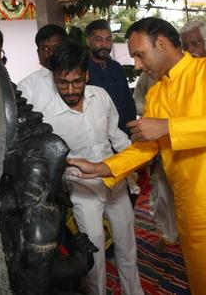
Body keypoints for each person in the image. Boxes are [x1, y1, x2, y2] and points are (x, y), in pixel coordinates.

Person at [67, 17, 206, 295]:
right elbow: (147, 147)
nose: (138, 65)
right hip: (190, 207)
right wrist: (102, 168)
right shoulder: (156, 93)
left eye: (139, 55)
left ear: (163, 44)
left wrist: (168, 127)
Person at [42, 40, 144, 295]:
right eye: (62, 83)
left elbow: (116, 136)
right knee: (93, 255)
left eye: (77, 81)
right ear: (54, 78)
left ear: (86, 75)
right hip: (82, 190)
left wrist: (134, 158)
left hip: (114, 182)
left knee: (127, 246)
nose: (70, 90)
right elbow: (50, 160)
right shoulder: (47, 115)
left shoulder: (101, 96)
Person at [133, 72, 178, 253]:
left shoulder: (195, 73)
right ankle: (166, 236)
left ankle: (190, 236)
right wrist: (153, 116)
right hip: (159, 144)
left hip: (189, 147)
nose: (138, 64)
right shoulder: (147, 76)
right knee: (162, 194)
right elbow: (136, 101)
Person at [85, 19, 137, 137]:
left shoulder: (116, 67)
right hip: (100, 138)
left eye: (108, 39)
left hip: (125, 134)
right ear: (88, 41)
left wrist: (132, 128)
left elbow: (128, 100)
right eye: (98, 40)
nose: (104, 44)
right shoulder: (82, 70)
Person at [17, 24, 67, 112]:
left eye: (57, 47)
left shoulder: (82, 79)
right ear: (38, 52)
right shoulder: (26, 87)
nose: (51, 53)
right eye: (45, 48)